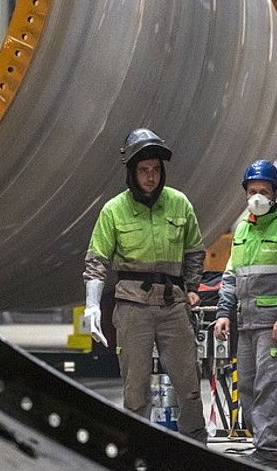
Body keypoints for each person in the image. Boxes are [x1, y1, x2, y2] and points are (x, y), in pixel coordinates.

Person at [82, 128, 207, 441]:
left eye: (155, 170)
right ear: (132, 173)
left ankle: (196, 445)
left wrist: (192, 287)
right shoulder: (114, 210)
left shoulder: (179, 204)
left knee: (188, 385)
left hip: (173, 307)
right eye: (143, 170)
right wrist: (92, 305)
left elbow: (194, 250)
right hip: (132, 309)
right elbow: (97, 261)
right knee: (135, 389)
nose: (150, 177)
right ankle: (138, 449)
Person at [212, 160, 277, 469]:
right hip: (247, 322)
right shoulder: (243, 230)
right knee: (250, 387)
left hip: (274, 325)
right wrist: (225, 312)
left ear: (275, 193)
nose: (257, 196)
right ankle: (260, 445)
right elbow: (231, 276)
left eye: (263, 191)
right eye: (252, 191)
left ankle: (270, 451)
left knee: (269, 386)